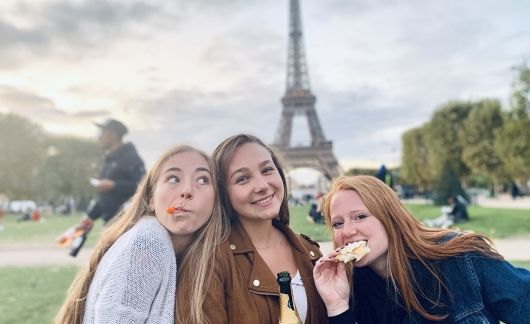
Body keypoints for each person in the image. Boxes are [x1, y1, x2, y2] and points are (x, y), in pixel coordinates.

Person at [313, 175, 530, 323]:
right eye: (337, 223)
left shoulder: (461, 258)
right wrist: (337, 306)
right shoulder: (350, 290)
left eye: (360, 216)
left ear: (391, 217)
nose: (347, 231)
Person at [55, 145, 229, 324]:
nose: (186, 191)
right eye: (173, 178)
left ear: (216, 200)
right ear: (150, 199)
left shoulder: (188, 252)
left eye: (202, 180)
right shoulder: (147, 244)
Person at [176, 134, 328, 323]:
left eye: (267, 170)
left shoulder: (311, 251)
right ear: (223, 192)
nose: (262, 185)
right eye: (243, 179)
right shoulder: (207, 262)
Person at [78, 118, 146, 232]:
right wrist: (90, 217)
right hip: (109, 224)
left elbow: (143, 186)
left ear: (113, 135)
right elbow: (106, 197)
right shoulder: (109, 160)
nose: (99, 137)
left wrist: (114, 185)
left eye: (102, 133)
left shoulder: (132, 158)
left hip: (125, 226)